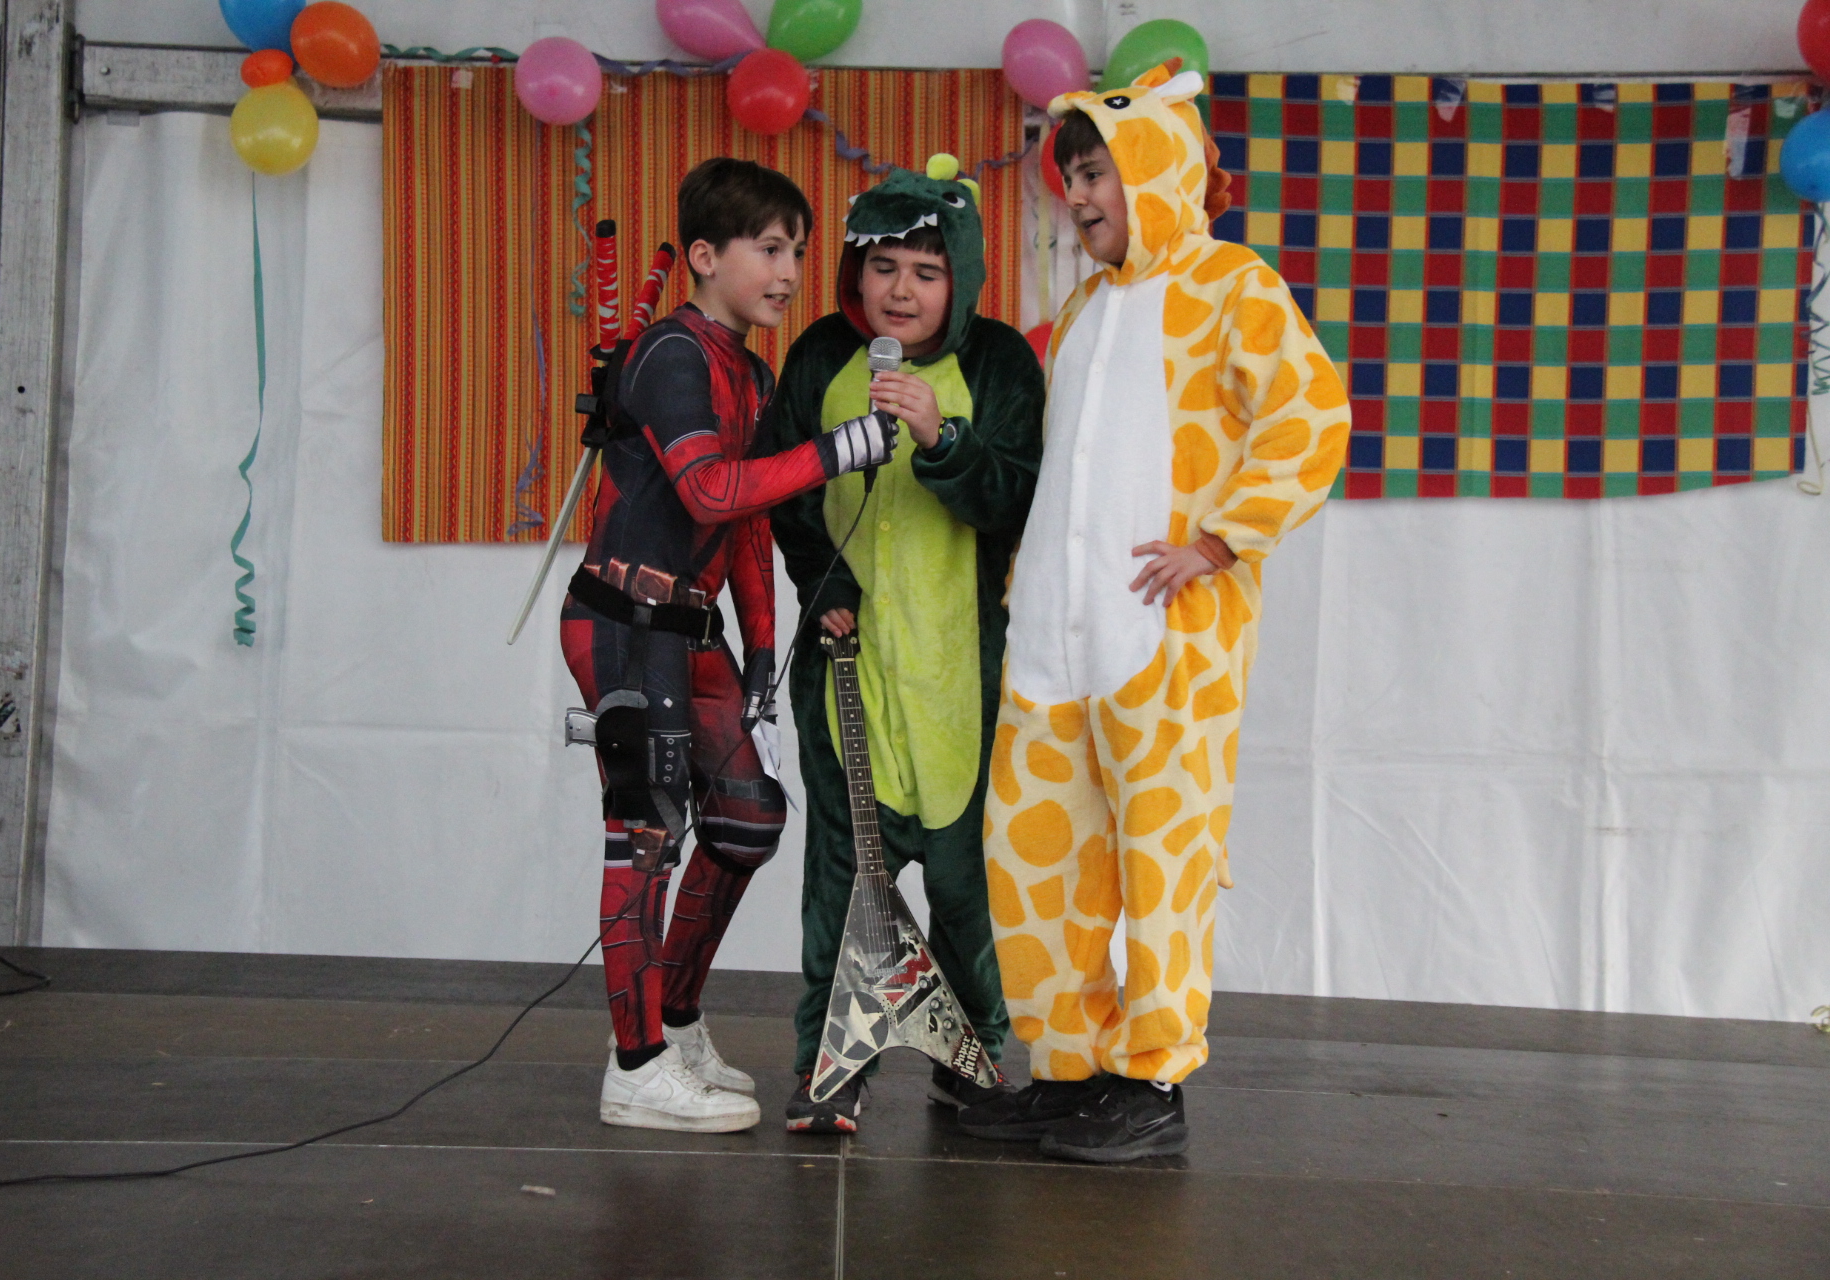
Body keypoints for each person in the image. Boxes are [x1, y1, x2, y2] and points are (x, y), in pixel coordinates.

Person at [957, 65, 1350, 1162]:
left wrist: (1221, 540)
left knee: (1163, 862)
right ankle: (1068, 1067)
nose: (1080, 195)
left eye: (1100, 172)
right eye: (1072, 177)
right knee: (1037, 854)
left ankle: (1152, 1079)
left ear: (1157, 169)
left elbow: (1311, 415)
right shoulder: (1084, 309)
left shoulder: (1231, 283)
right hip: (1054, 639)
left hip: (1167, 642)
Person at [561, 158, 897, 1133]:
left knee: (747, 817)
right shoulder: (672, 354)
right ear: (705, 256)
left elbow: (745, 524)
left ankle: (673, 1022)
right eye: (770, 248)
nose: (789, 271)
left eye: (798, 250)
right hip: (622, 623)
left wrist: (760, 653)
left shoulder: (747, 370)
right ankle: (635, 1067)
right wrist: (841, 448)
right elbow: (710, 491)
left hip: (686, 628)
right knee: (647, 833)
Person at [758, 156, 1046, 1134]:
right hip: (851, 666)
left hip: (963, 673)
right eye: (883, 267)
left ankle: (974, 1058)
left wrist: (944, 440)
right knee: (842, 880)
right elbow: (783, 486)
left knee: (966, 886)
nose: (902, 290)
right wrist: (825, 582)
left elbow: (1019, 499)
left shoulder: (998, 363)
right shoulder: (821, 356)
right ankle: (828, 1067)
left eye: (927, 271)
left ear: (962, 277)